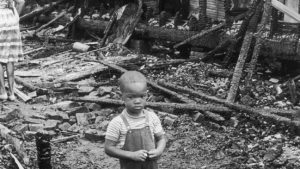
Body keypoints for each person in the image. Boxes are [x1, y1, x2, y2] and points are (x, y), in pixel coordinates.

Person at [105, 71, 167, 169]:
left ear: (146, 95)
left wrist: (158, 151)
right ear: (122, 97)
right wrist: (131, 155)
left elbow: (161, 139)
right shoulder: (117, 123)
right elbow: (108, 148)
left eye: (142, 96)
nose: (137, 101)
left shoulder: (152, 117)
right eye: (131, 97)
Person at [0, 0, 25, 101]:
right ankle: (12, 93)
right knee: (10, 58)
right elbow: (21, 1)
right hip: (11, 20)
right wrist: (16, 16)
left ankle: (2, 92)